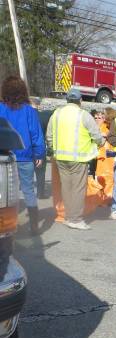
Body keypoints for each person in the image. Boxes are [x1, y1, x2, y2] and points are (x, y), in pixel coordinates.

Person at [46, 88, 104, 230]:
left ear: (67, 100)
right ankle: (75, 219)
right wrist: (101, 142)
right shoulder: (83, 115)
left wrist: (52, 148)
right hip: (78, 159)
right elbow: (96, 136)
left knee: (66, 187)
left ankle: (68, 216)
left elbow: (49, 135)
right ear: (80, 100)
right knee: (78, 189)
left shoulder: (57, 113)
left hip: (60, 157)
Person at [0, 76, 45, 235]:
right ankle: (34, 226)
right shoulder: (29, 111)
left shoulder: (0, 108)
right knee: (28, 190)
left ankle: (4, 225)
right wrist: (39, 153)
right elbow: (36, 135)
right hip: (25, 157)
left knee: (2, 192)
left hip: (3, 157)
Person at [30, 97, 53, 199]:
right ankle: (40, 193)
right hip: (39, 147)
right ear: (38, 105)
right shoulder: (44, 116)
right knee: (40, 172)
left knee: (27, 173)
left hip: (25, 148)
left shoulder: (23, 116)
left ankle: (29, 194)